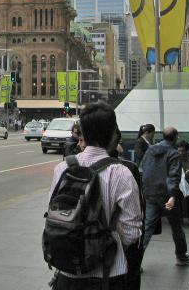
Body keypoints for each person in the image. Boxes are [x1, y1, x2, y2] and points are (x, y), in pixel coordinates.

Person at [49, 101, 142, 289]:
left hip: (67, 272)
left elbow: (54, 213)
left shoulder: (62, 168)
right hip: (108, 274)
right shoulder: (121, 172)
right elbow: (132, 232)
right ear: (113, 134)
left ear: (82, 132)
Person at [140, 126, 189, 266]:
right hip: (166, 196)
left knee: (146, 229)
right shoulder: (174, 153)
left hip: (151, 195)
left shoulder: (151, 150)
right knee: (176, 227)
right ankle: (181, 256)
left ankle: (136, 261)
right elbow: (173, 176)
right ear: (176, 137)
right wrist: (172, 195)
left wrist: (145, 190)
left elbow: (143, 169)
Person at [107, 128, 144, 290]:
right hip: (116, 256)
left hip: (75, 264)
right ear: (116, 143)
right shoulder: (127, 169)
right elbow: (132, 230)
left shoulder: (66, 167)